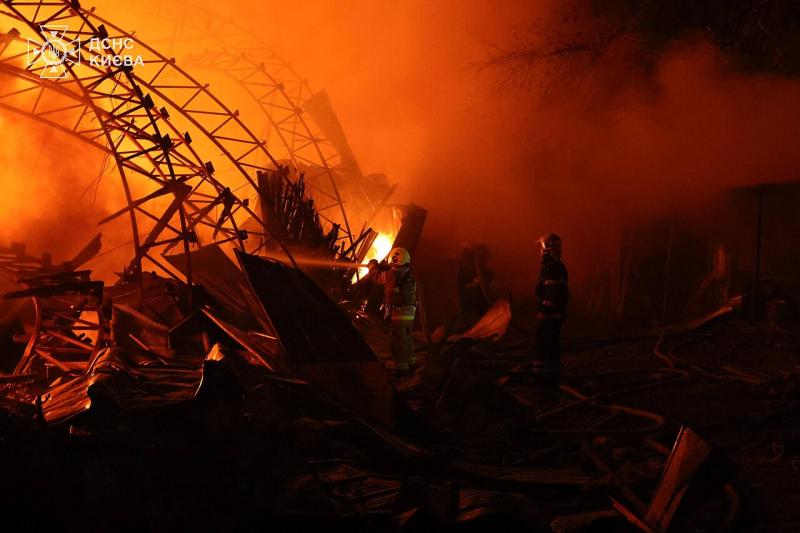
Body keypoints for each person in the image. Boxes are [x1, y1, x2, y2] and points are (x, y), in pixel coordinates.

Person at [530, 233, 569, 384]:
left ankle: (541, 378)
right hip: (557, 315)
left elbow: (551, 294)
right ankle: (553, 375)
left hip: (549, 315)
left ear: (547, 248)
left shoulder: (550, 268)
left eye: (542, 248)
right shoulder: (559, 267)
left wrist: (543, 313)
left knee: (542, 344)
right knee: (553, 344)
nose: (540, 252)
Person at [376, 247, 417, 376]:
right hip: (410, 312)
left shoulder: (390, 275)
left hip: (398, 313)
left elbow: (377, 278)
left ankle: (402, 370)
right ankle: (412, 364)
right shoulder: (408, 275)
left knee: (399, 341)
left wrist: (372, 267)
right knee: (407, 339)